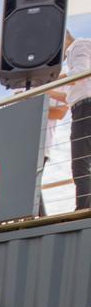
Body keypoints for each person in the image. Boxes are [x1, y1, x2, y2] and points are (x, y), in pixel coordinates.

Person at [58, 29, 91, 211]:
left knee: (80, 163)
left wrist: (53, 78)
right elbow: (68, 94)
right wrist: (45, 86)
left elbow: (80, 74)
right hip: (82, 107)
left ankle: (83, 210)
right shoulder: (79, 48)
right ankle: (84, 208)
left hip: (85, 108)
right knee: (83, 162)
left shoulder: (78, 46)